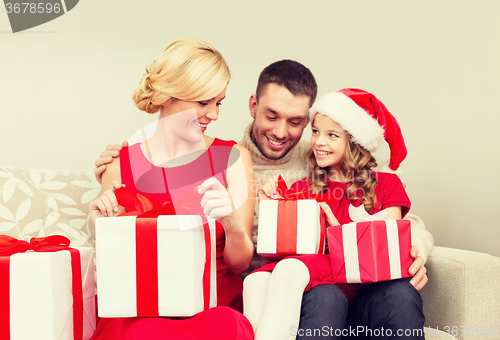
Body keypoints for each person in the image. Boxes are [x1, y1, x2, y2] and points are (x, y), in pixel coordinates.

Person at [93, 61, 433, 339]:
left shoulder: (320, 155)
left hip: (340, 278)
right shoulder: (223, 157)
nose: (282, 132)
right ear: (253, 105)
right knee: (319, 296)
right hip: (281, 288)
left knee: (400, 293)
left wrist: (413, 249)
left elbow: (384, 202)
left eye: (297, 122)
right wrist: (126, 170)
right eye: (272, 116)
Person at [89, 37, 255, 340]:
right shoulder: (118, 163)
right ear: (168, 96)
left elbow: (240, 262)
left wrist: (231, 223)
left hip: (210, 310)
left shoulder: (233, 158)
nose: (214, 115)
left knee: (226, 325)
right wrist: (97, 219)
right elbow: (112, 250)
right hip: (142, 312)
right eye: (203, 102)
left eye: (219, 103)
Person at [247, 88, 426, 340]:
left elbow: (389, 247)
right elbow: (282, 248)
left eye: (332, 135)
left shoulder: (386, 184)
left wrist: (340, 235)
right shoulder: (302, 189)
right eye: (316, 131)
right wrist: (274, 207)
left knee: (401, 292)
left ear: (354, 142)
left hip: (368, 299)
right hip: (322, 301)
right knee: (325, 295)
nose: (319, 142)